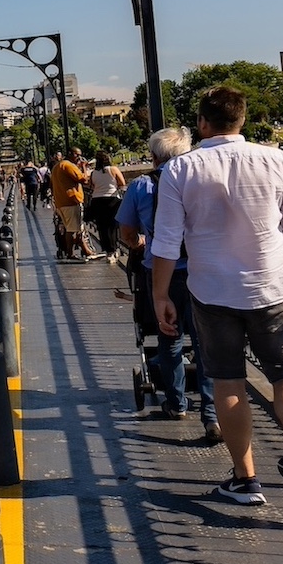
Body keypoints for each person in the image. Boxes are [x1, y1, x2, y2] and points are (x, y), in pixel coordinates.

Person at [152, 86, 283, 518]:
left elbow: (165, 243)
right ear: (242, 120)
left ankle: (245, 479)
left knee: (228, 381)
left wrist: (160, 295)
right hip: (271, 287)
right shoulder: (276, 159)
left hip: (212, 292)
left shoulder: (181, 169)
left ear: (201, 123)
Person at [118, 127, 216, 438]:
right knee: (205, 343)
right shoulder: (201, 181)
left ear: (154, 156)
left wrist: (141, 243)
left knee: (170, 336)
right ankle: (212, 413)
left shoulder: (142, 185)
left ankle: (177, 403)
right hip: (202, 269)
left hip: (161, 271)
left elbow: (127, 234)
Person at [49, 149, 96, 260]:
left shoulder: (56, 167)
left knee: (76, 228)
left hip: (61, 202)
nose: (79, 158)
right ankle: (70, 253)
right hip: (71, 201)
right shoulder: (68, 165)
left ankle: (86, 250)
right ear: (71, 154)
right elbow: (83, 179)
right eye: (78, 156)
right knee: (72, 229)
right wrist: (84, 167)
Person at [86, 151, 128, 260]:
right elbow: (122, 183)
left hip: (97, 201)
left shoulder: (93, 173)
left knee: (102, 226)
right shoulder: (113, 170)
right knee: (112, 225)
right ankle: (114, 249)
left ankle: (108, 250)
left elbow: (91, 185)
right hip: (112, 200)